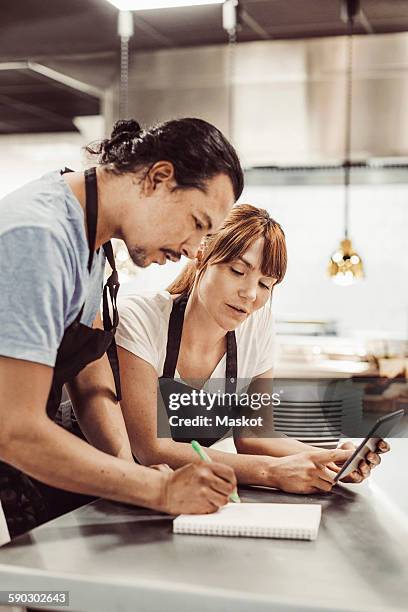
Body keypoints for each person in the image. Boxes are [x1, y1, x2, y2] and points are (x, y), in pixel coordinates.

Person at [0, 117, 243, 541]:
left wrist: (131, 473)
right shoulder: (38, 237)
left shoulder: (91, 239)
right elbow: (14, 428)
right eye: (198, 222)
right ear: (159, 178)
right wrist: (158, 489)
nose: (192, 250)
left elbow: (90, 374)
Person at [115, 204, 389, 494]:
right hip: (108, 493)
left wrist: (330, 461)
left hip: (184, 494)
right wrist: (270, 472)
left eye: (265, 284)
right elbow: (151, 449)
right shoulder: (140, 318)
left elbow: (255, 434)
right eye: (237, 271)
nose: (250, 294)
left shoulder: (256, 328)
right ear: (202, 255)